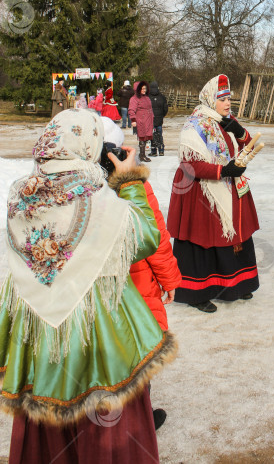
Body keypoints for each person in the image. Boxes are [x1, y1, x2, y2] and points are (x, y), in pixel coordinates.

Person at [0, 108, 177, 463]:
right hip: (96, 331)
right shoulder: (94, 199)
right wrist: (129, 182)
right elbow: (143, 238)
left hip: (39, 331)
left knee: (47, 419)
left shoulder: (21, 196)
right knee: (105, 419)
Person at [101, 116, 182, 431]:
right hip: (136, 286)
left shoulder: (74, 188)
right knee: (138, 354)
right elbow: (155, 239)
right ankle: (139, 421)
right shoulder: (132, 185)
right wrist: (170, 280)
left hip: (99, 294)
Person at [167, 74, 260, 313]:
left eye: (229, 97)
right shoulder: (195, 125)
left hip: (229, 185)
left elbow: (247, 143)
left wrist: (239, 131)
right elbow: (189, 164)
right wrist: (223, 169)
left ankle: (236, 285)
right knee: (204, 240)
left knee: (234, 236)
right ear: (210, 99)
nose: (228, 103)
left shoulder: (226, 120)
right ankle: (197, 293)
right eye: (222, 98)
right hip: (201, 191)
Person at [129, 81, 154, 162]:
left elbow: (150, 108)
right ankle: (142, 155)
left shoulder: (146, 97)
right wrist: (133, 120)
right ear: (138, 89)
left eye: (145, 88)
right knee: (142, 138)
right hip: (141, 120)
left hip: (148, 120)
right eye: (142, 89)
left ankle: (142, 154)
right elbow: (131, 110)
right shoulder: (134, 99)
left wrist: (152, 117)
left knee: (147, 137)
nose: (144, 90)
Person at [148, 81, 169, 157]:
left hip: (151, 119)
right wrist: (162, 115)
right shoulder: (162, 97)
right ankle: (161, 150)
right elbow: (165, 108)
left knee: (153, 135)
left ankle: (154, 151)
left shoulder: (148, 97)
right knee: (159, 135)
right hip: (159, 119)